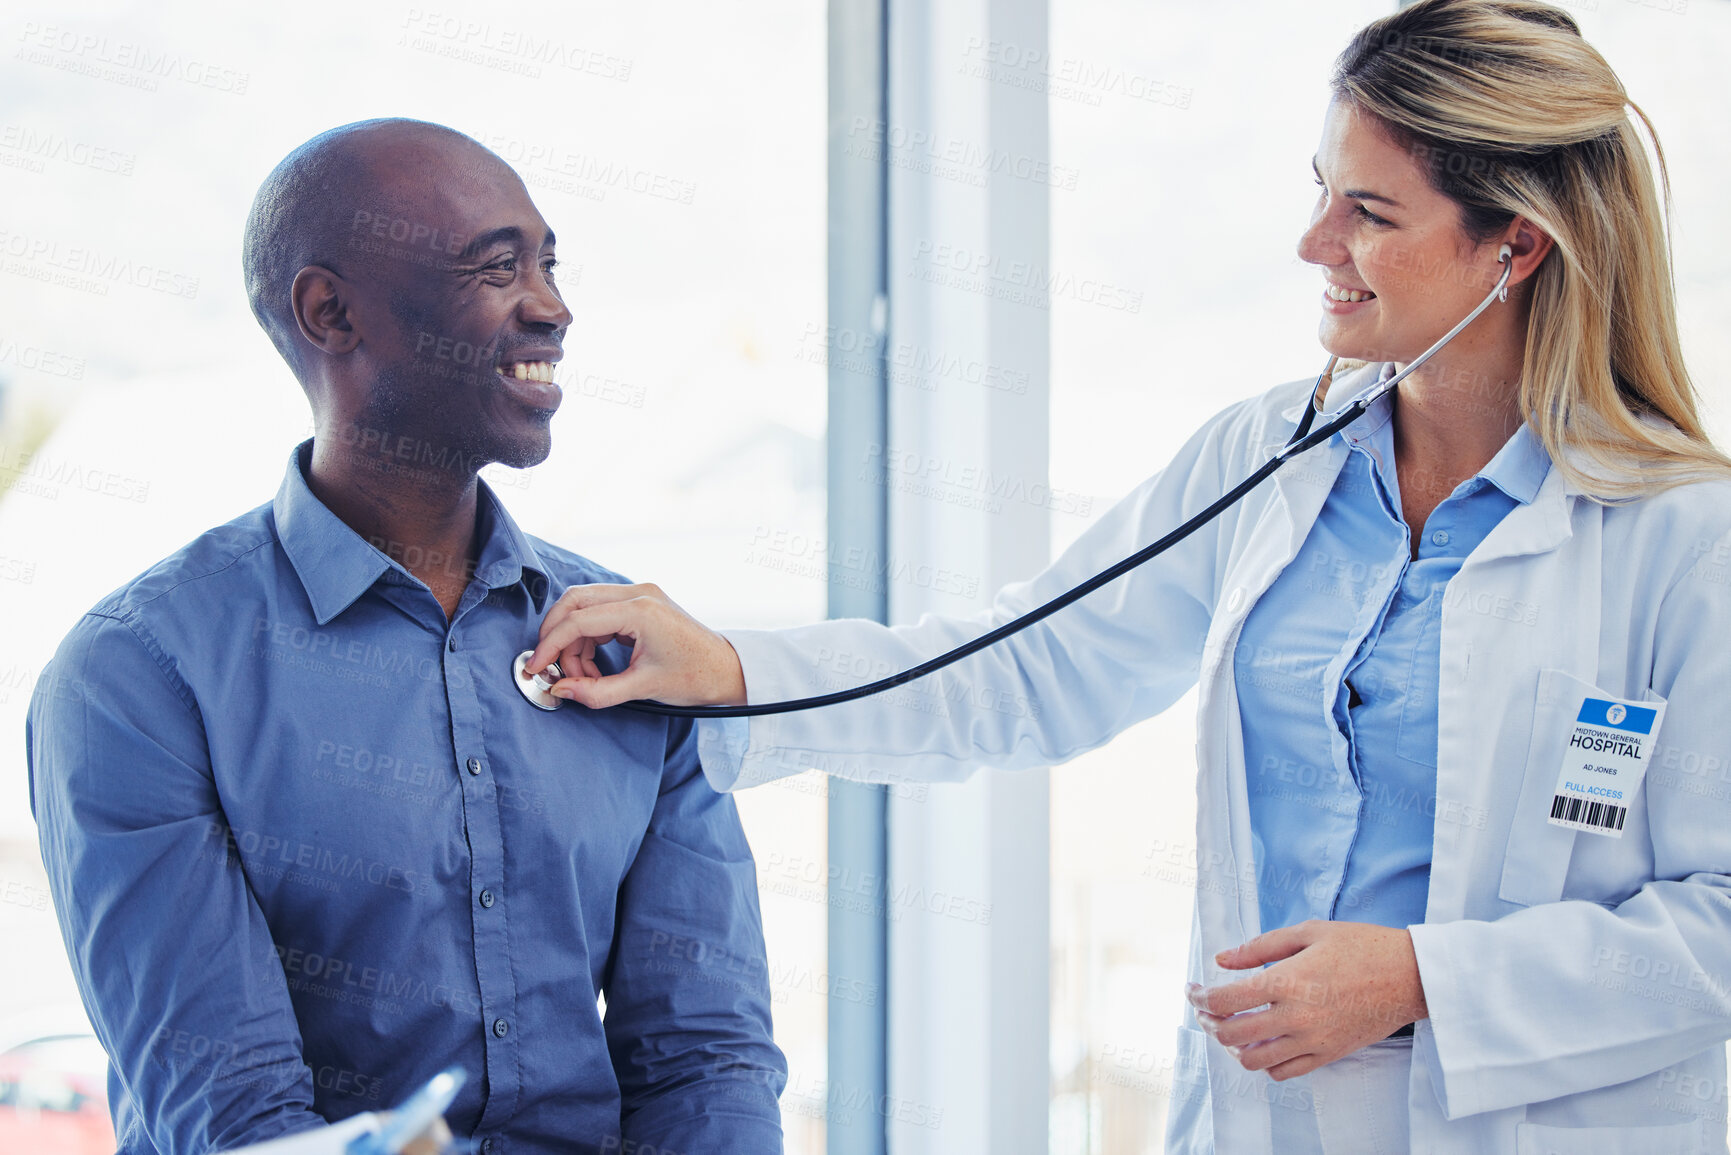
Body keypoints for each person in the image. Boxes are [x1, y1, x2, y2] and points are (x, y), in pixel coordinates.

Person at [524, 2, 1731, 1151]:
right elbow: (1031, 667)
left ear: (1514, 244)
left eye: (1369, 210)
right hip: (1268, 1117)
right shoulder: (1267, 462)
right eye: (1320, 190)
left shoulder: (1685, 539)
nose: (1315, 244)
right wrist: (734, 670)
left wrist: (1419, 981)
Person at [27, 119, 785, 1155]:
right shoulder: (141, 677)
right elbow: (237, 1116)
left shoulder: (637, 643)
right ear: (331, 313)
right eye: (497, 268)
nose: (554, 309)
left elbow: (707, 1061)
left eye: (549, 262)